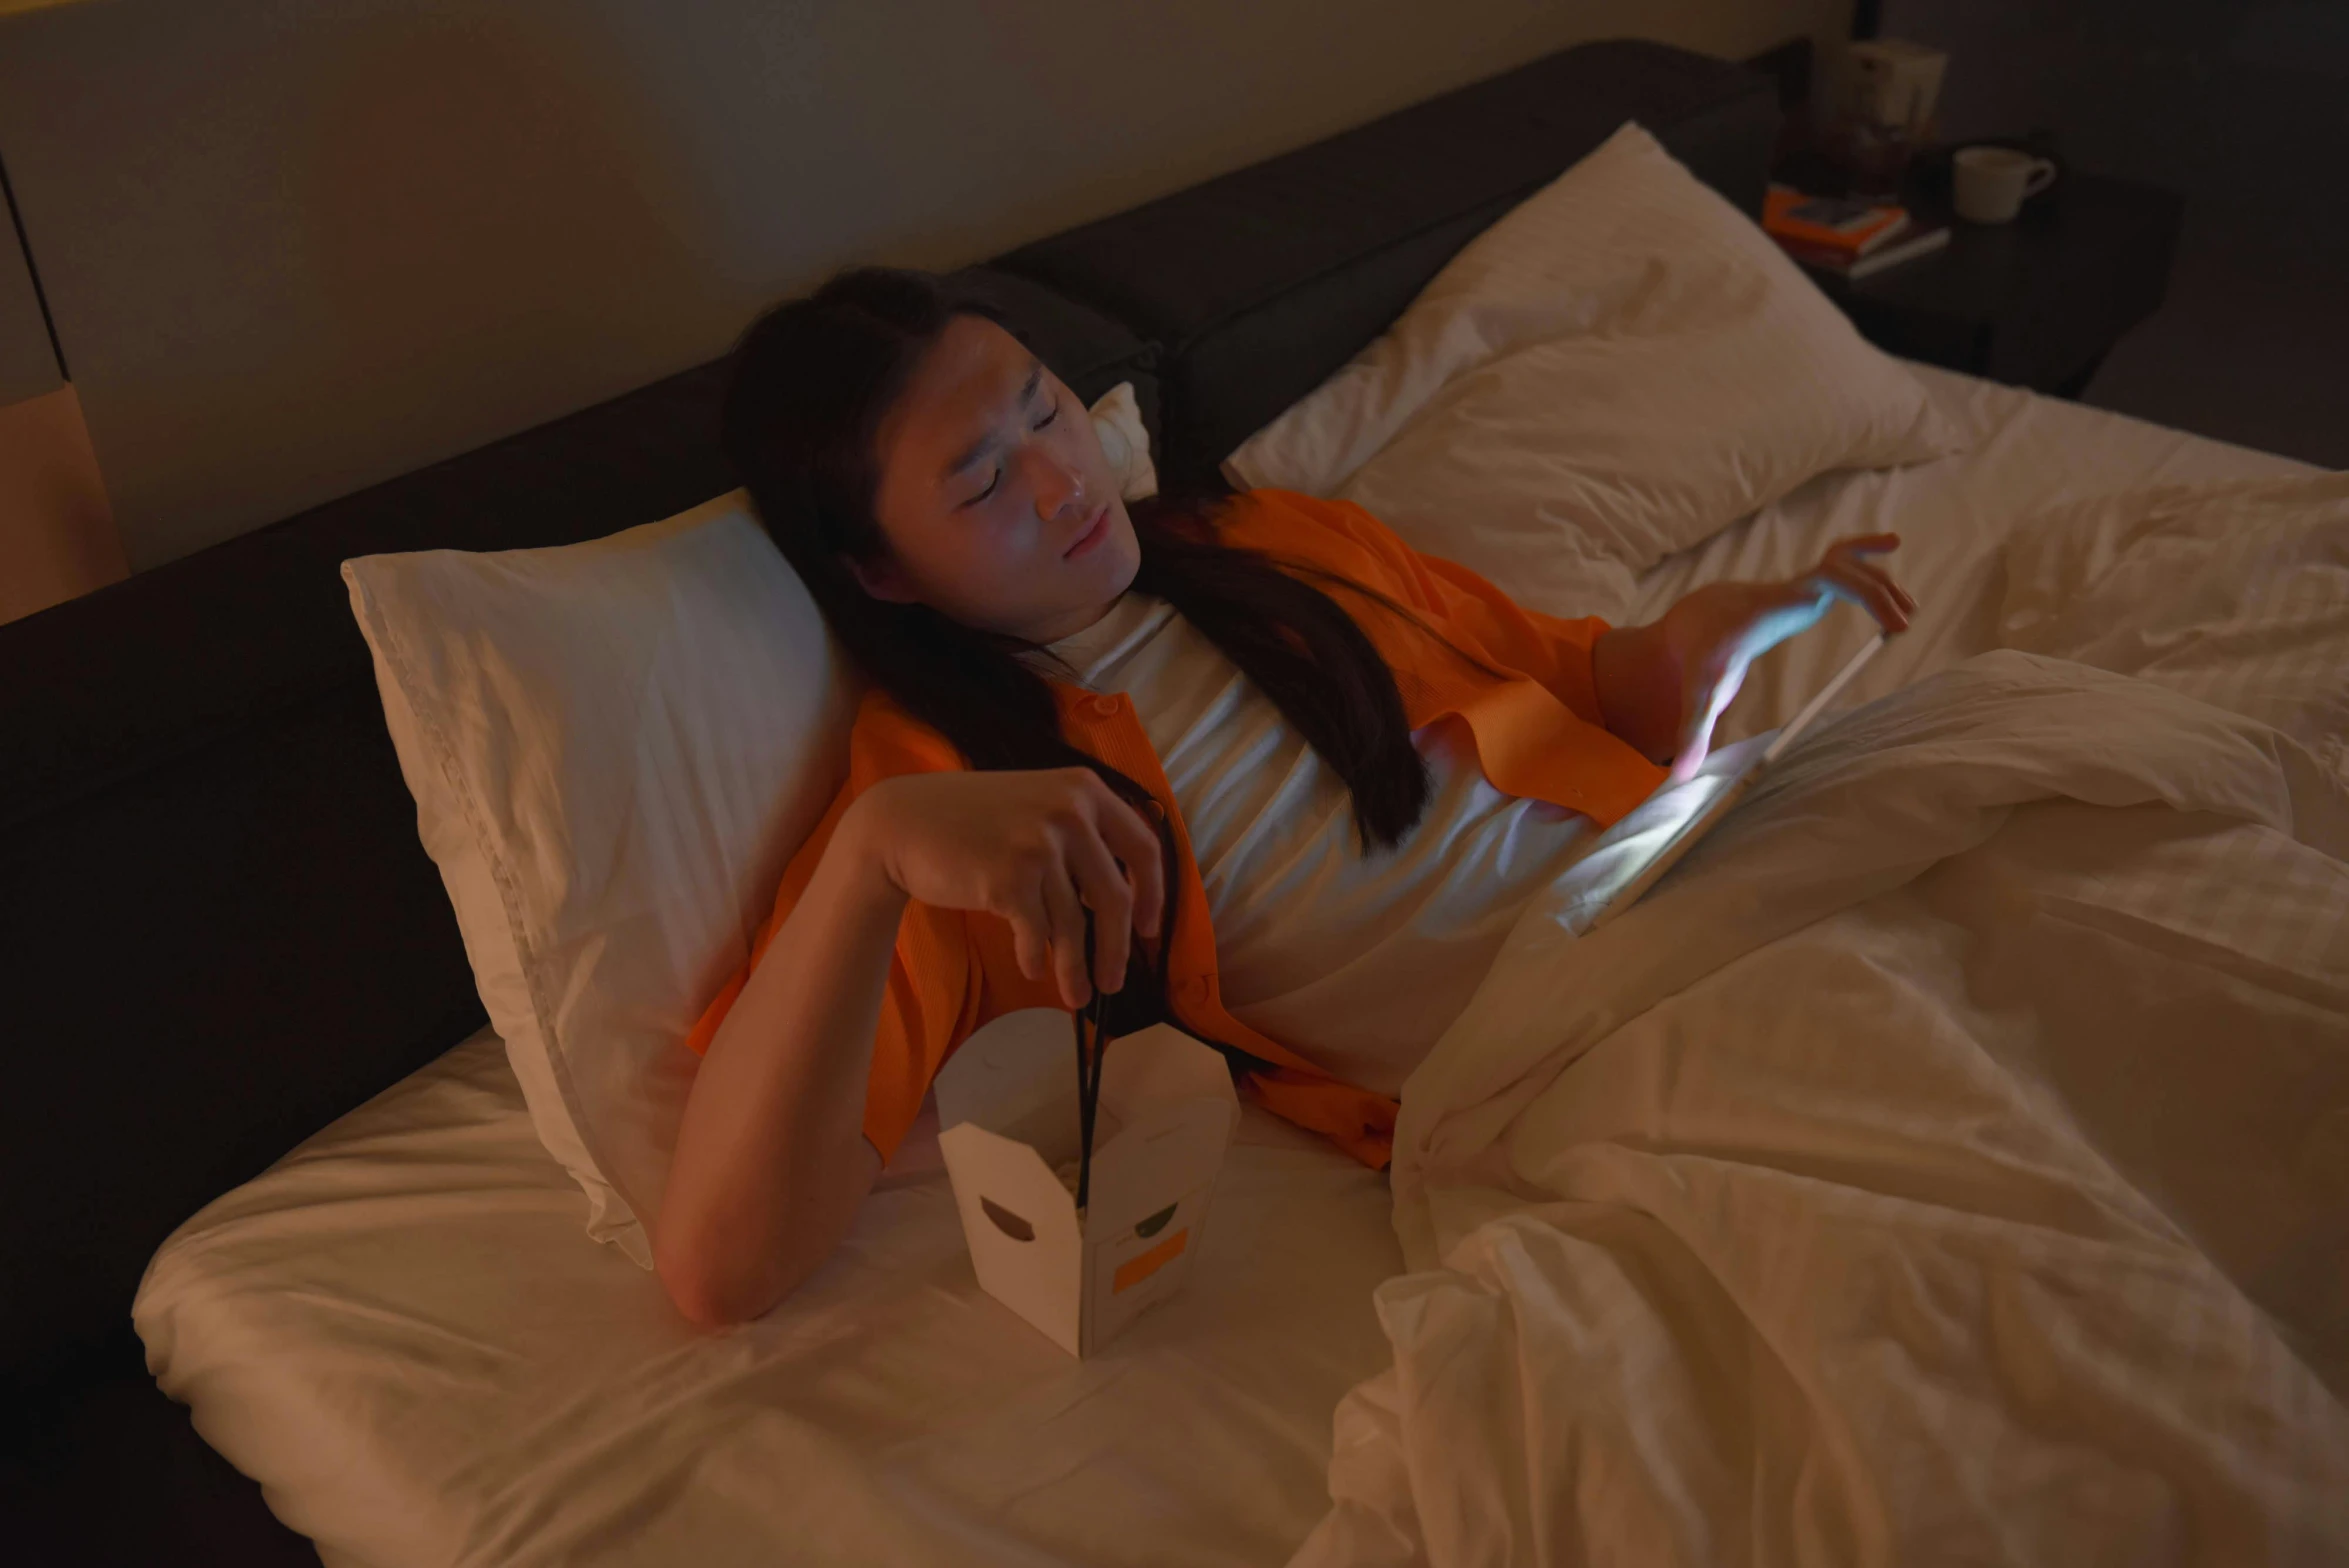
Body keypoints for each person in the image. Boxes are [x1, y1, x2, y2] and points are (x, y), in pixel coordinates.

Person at [655, 267, 1913, 1329]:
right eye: (983, 484)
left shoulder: (1278, 541)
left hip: (1702, 876)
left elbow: (1595, 689)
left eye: (1046, 409)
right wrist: (872, 857)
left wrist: (1702, 645)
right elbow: (725, 1261)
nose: (1063, 482)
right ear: (879, 569)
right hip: (1561, 1050)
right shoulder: (951, 796)